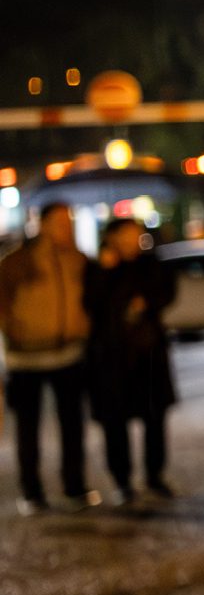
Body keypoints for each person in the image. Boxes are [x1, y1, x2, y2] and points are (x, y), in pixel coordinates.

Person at [1, 202, 97, 513]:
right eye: (58, 222)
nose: (65, 228)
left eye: (68, 221)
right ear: (42, 224)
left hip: (68, 354)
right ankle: (32, 492)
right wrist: (15, 328)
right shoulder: (17, 261)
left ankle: (75, 487)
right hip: (26, 358)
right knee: (28, 429)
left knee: (73, 426)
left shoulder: (78, 260)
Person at [85, 216, 178, 502]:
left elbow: (167, 292)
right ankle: (121, 480)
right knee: (115, 422)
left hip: (148, 354)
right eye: (126, 235)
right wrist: (106, 271)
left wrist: (146, 301)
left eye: (136, 235)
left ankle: (154, 474)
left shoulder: (151, 264)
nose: (133, 241)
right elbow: (91, 304)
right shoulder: (98, 268)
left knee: (154, 418)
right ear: (111, 238)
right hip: (111, 356)